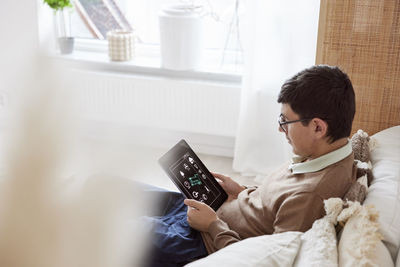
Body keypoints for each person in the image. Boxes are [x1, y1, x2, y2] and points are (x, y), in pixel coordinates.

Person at [143, 65, 357, 267]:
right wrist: (242, 192)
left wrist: (212, 225)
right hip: (211, 212)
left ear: (318, 128)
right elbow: (274, 206)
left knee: (113, 225)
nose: (281, 129)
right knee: (121, 194)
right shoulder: (324, 154)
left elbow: (261, 259)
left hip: (201, 242)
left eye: (285, 121)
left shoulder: (311, 194)